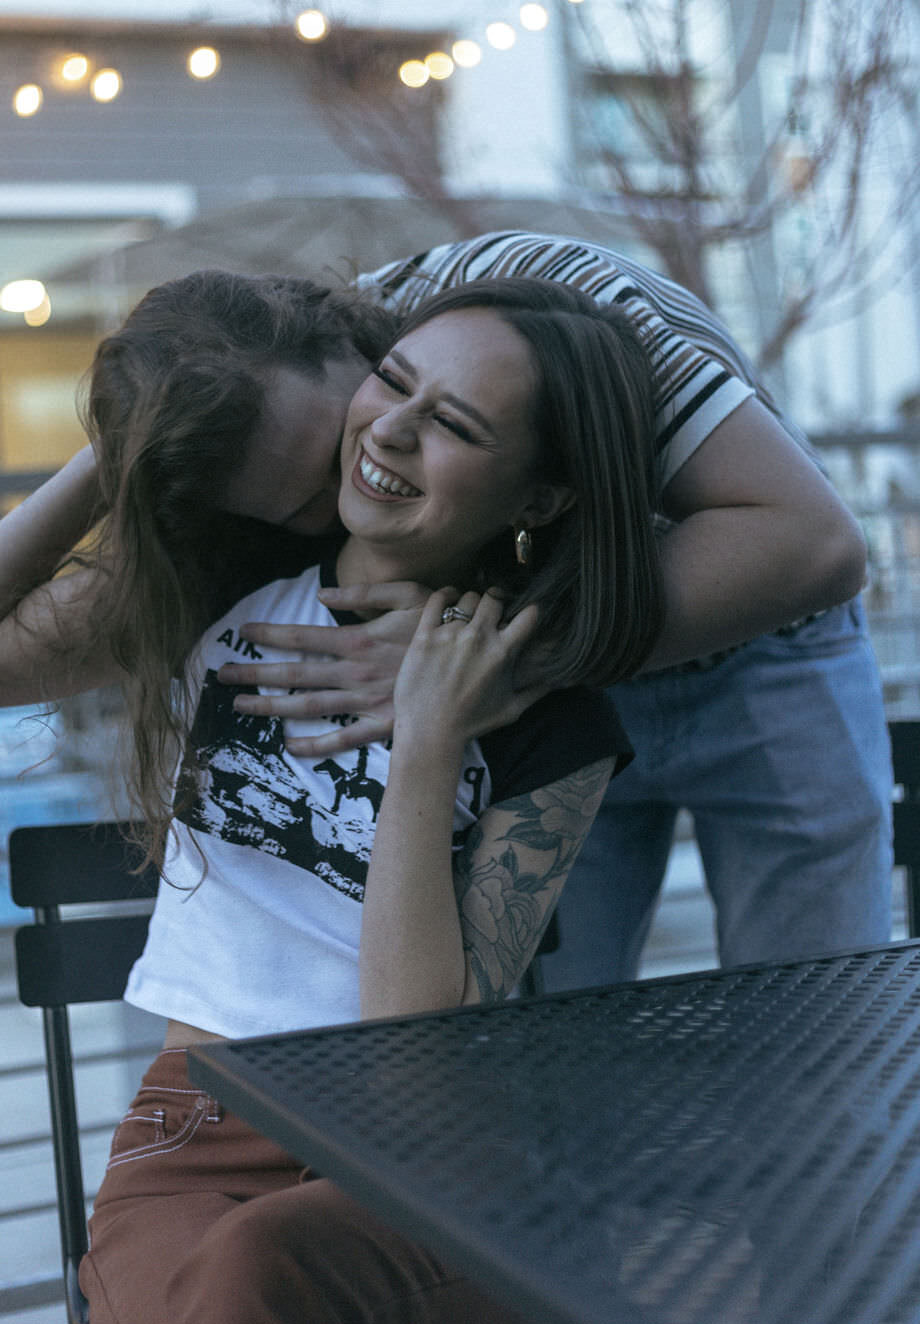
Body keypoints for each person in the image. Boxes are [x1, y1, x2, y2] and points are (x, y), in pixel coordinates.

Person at [83, 275, 659, 1324]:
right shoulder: (223, 588)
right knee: (221, 1288)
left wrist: (431, 741)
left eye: (452, 423)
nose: (391, 429)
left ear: (538, 498)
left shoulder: (552, 722)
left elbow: (414, 1047)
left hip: (422, 1141)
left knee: (251, 1272)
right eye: (392, 382)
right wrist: (127, 437)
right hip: (200, 1121)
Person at [229, 231, 894, 984]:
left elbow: (819, 543)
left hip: (767, 650)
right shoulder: (365, 365)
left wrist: (491, 658)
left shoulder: (611, 331)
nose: (377, 438)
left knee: (822, 1015)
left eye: (452, 423)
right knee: (559, 1039)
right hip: (567, 679)